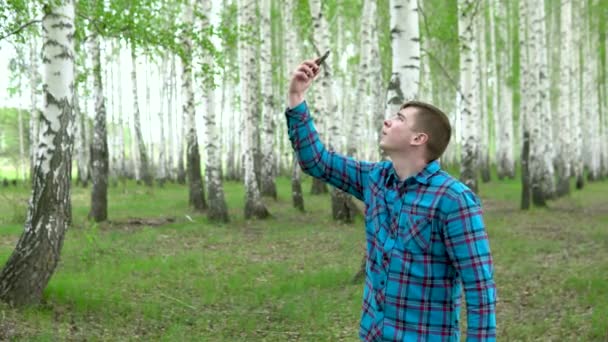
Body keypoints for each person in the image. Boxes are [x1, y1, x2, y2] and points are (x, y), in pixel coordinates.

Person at [285, 58, 497, 341]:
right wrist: (297, 97)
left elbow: (480, 289)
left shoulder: (453, 200)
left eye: (399, 118)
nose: (388, 120)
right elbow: (317, 162)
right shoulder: (375, 179)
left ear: (419, 138)